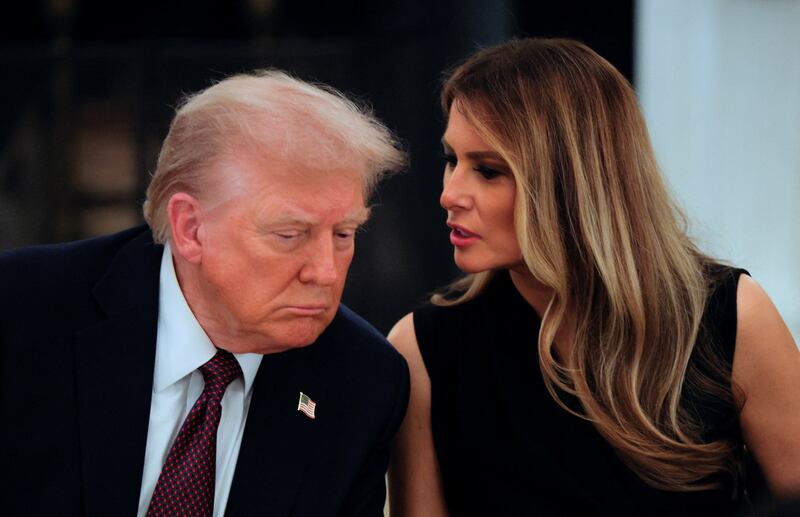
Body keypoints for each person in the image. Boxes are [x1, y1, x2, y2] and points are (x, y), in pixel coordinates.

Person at [388, 38, 800, 516]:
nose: (450, 193)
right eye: (451, 161)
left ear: (571, 182)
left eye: (487, 170)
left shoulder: (728, 315)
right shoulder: (424, 347)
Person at [0, 69, 409, 516]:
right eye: (291, 234)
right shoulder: (25, 309)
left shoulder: (361, 382)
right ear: (190, 228)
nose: (326, 272)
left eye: (344, 234)